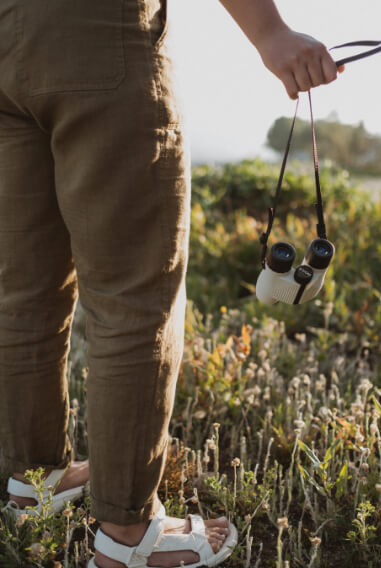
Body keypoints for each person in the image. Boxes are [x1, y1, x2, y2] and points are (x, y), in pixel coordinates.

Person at [0, 0, 343, 566]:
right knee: (133, 300)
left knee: (22, 296)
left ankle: (34, 482)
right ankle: (128, 539)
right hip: (99, 34)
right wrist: (272, 33)